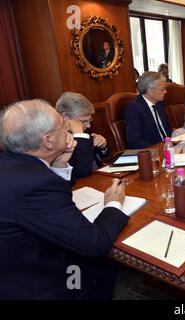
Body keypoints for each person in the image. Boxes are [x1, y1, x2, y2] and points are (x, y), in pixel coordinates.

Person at [0, 100, 129, 299]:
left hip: (20, 262)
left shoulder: (13, 165)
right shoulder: (36, 183)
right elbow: (94, 244)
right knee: (117, 269)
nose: (67, 129)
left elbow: (46, 205)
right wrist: (113, 203)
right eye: (62, 125)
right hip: (43, 284)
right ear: (48, 141)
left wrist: (59, 164)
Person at [56, 92, 109, 180]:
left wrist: (103, 147)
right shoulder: (57, 140)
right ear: (65, 117)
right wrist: (79, 135)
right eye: (84, 121)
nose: (88, 126)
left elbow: (100, 161)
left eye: (89, 120)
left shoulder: (84, 129)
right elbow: (82, 171)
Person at [125, 71, 173, 149]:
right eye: (162, 89)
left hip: (168, 148)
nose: (165, 92)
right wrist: (159, 147)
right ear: (150, 91)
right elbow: (134, 142)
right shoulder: (134, 108)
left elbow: (166, 129)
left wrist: (176, 135)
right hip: (151, 153)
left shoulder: (160, 104)